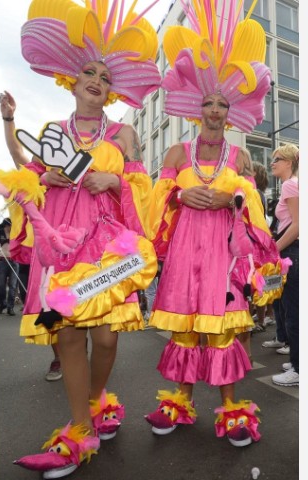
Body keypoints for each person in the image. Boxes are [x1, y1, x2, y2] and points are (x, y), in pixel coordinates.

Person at [0, 0, 161, 477]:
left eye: (105, 77)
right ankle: (82, 427)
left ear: (110, 92)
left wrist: (114, 182)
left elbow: (140, 186)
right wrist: (17, 133)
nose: (96, 80)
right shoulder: (53, 131)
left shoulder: (124, 134)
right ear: (73, 79)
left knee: (106, 338)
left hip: (108, 246)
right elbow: (27, 170)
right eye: (89, 71)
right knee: (69, 335)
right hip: (64, 243)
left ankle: (96, 401)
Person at [145, 0, 280, 447]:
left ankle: (231, 410)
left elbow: (254, 206)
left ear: (231, 110)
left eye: (223, 103)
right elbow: (155, 201)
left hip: (222, 254)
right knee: (185, 328)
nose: (216, 110)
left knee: (221, 331)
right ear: (196, 107)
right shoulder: (175, 155)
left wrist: (233, 196)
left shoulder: (240, 156)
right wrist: (179, 194)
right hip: (185, 251)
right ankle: (179, 402)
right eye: (209, 102)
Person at [0, 90, 63, 382]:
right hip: (46, 250)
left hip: (77, 243)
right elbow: (17, 155)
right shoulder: (37, 173)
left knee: (80, 301)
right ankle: (60, 358)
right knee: (49, 302)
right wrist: (9, 118)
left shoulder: (80, 166)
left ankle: (77, 352)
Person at [270, 144, 299, 386]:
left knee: (293, 313)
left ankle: (299, 369)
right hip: (292, 251)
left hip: (293, 252)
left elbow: (298, 225)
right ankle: (296, 360)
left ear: (289, 162)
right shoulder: (292, 184)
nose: (272, 164)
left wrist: (275, 249)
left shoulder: (291, 184)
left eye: (276, 159)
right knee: (291, 310)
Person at [251, 161, 275, 333]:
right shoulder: (261, 193)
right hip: (260, 241)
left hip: (255, 241)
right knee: (260, 280)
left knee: (257, 280)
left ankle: (261, 318)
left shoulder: (255, 193)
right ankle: (264, 316)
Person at [0, 217, 19, 316]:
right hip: (3, 261)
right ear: (6, 225)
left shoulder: (15, 233)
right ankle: (2, 304)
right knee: (1, 285)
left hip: (14, 261)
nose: (11, 227)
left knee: (13, 286)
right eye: (10, 225)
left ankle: (10, 307)